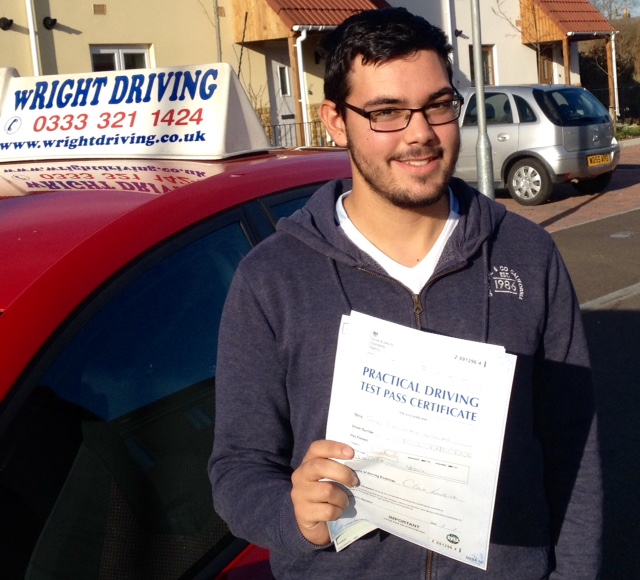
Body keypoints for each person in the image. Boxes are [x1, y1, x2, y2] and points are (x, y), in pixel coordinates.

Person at [209, 7, 602, 579]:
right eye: (387, 112)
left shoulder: (525, 254)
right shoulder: (272, 278)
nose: (420, 133)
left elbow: (574, 449)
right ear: (336, 122)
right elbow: (238, 467)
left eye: (438, 105)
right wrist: (289, 514)